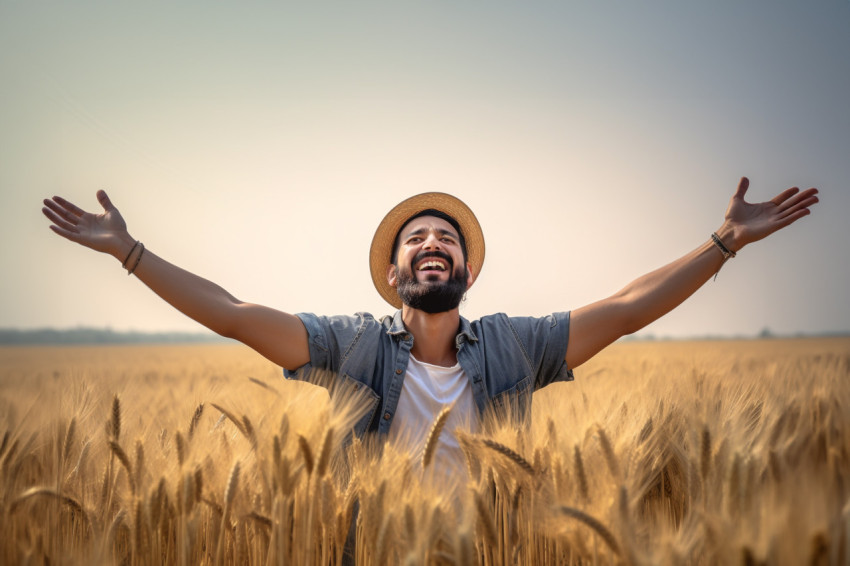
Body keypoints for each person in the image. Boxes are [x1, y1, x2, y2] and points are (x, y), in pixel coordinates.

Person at [42, 178, 818, 472]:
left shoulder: (516, 345)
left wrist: (724, 242)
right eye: (417, 239)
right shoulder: (350, 344)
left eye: (446, 238)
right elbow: (237, 318)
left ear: (467, 273)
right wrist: (132, 253)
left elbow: (626, 309)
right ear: (393, 277)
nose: (433, 244)